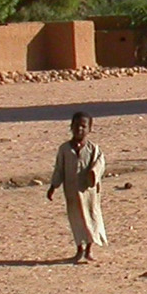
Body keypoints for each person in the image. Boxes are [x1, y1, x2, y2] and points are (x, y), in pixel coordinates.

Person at [47, 111, 107, 264]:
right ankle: (79, 250)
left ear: (89, 129)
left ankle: (89, 250)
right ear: (71, 127)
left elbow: (100, 164)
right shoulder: (65, 150)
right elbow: (59, 169)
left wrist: (93, 174)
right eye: (76, 126)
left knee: (92, 219)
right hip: (72, 193)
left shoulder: (93, 149)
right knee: (76, 220)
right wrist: (54, 186)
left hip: (89, 194)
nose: (79, 129)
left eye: (83, 126)